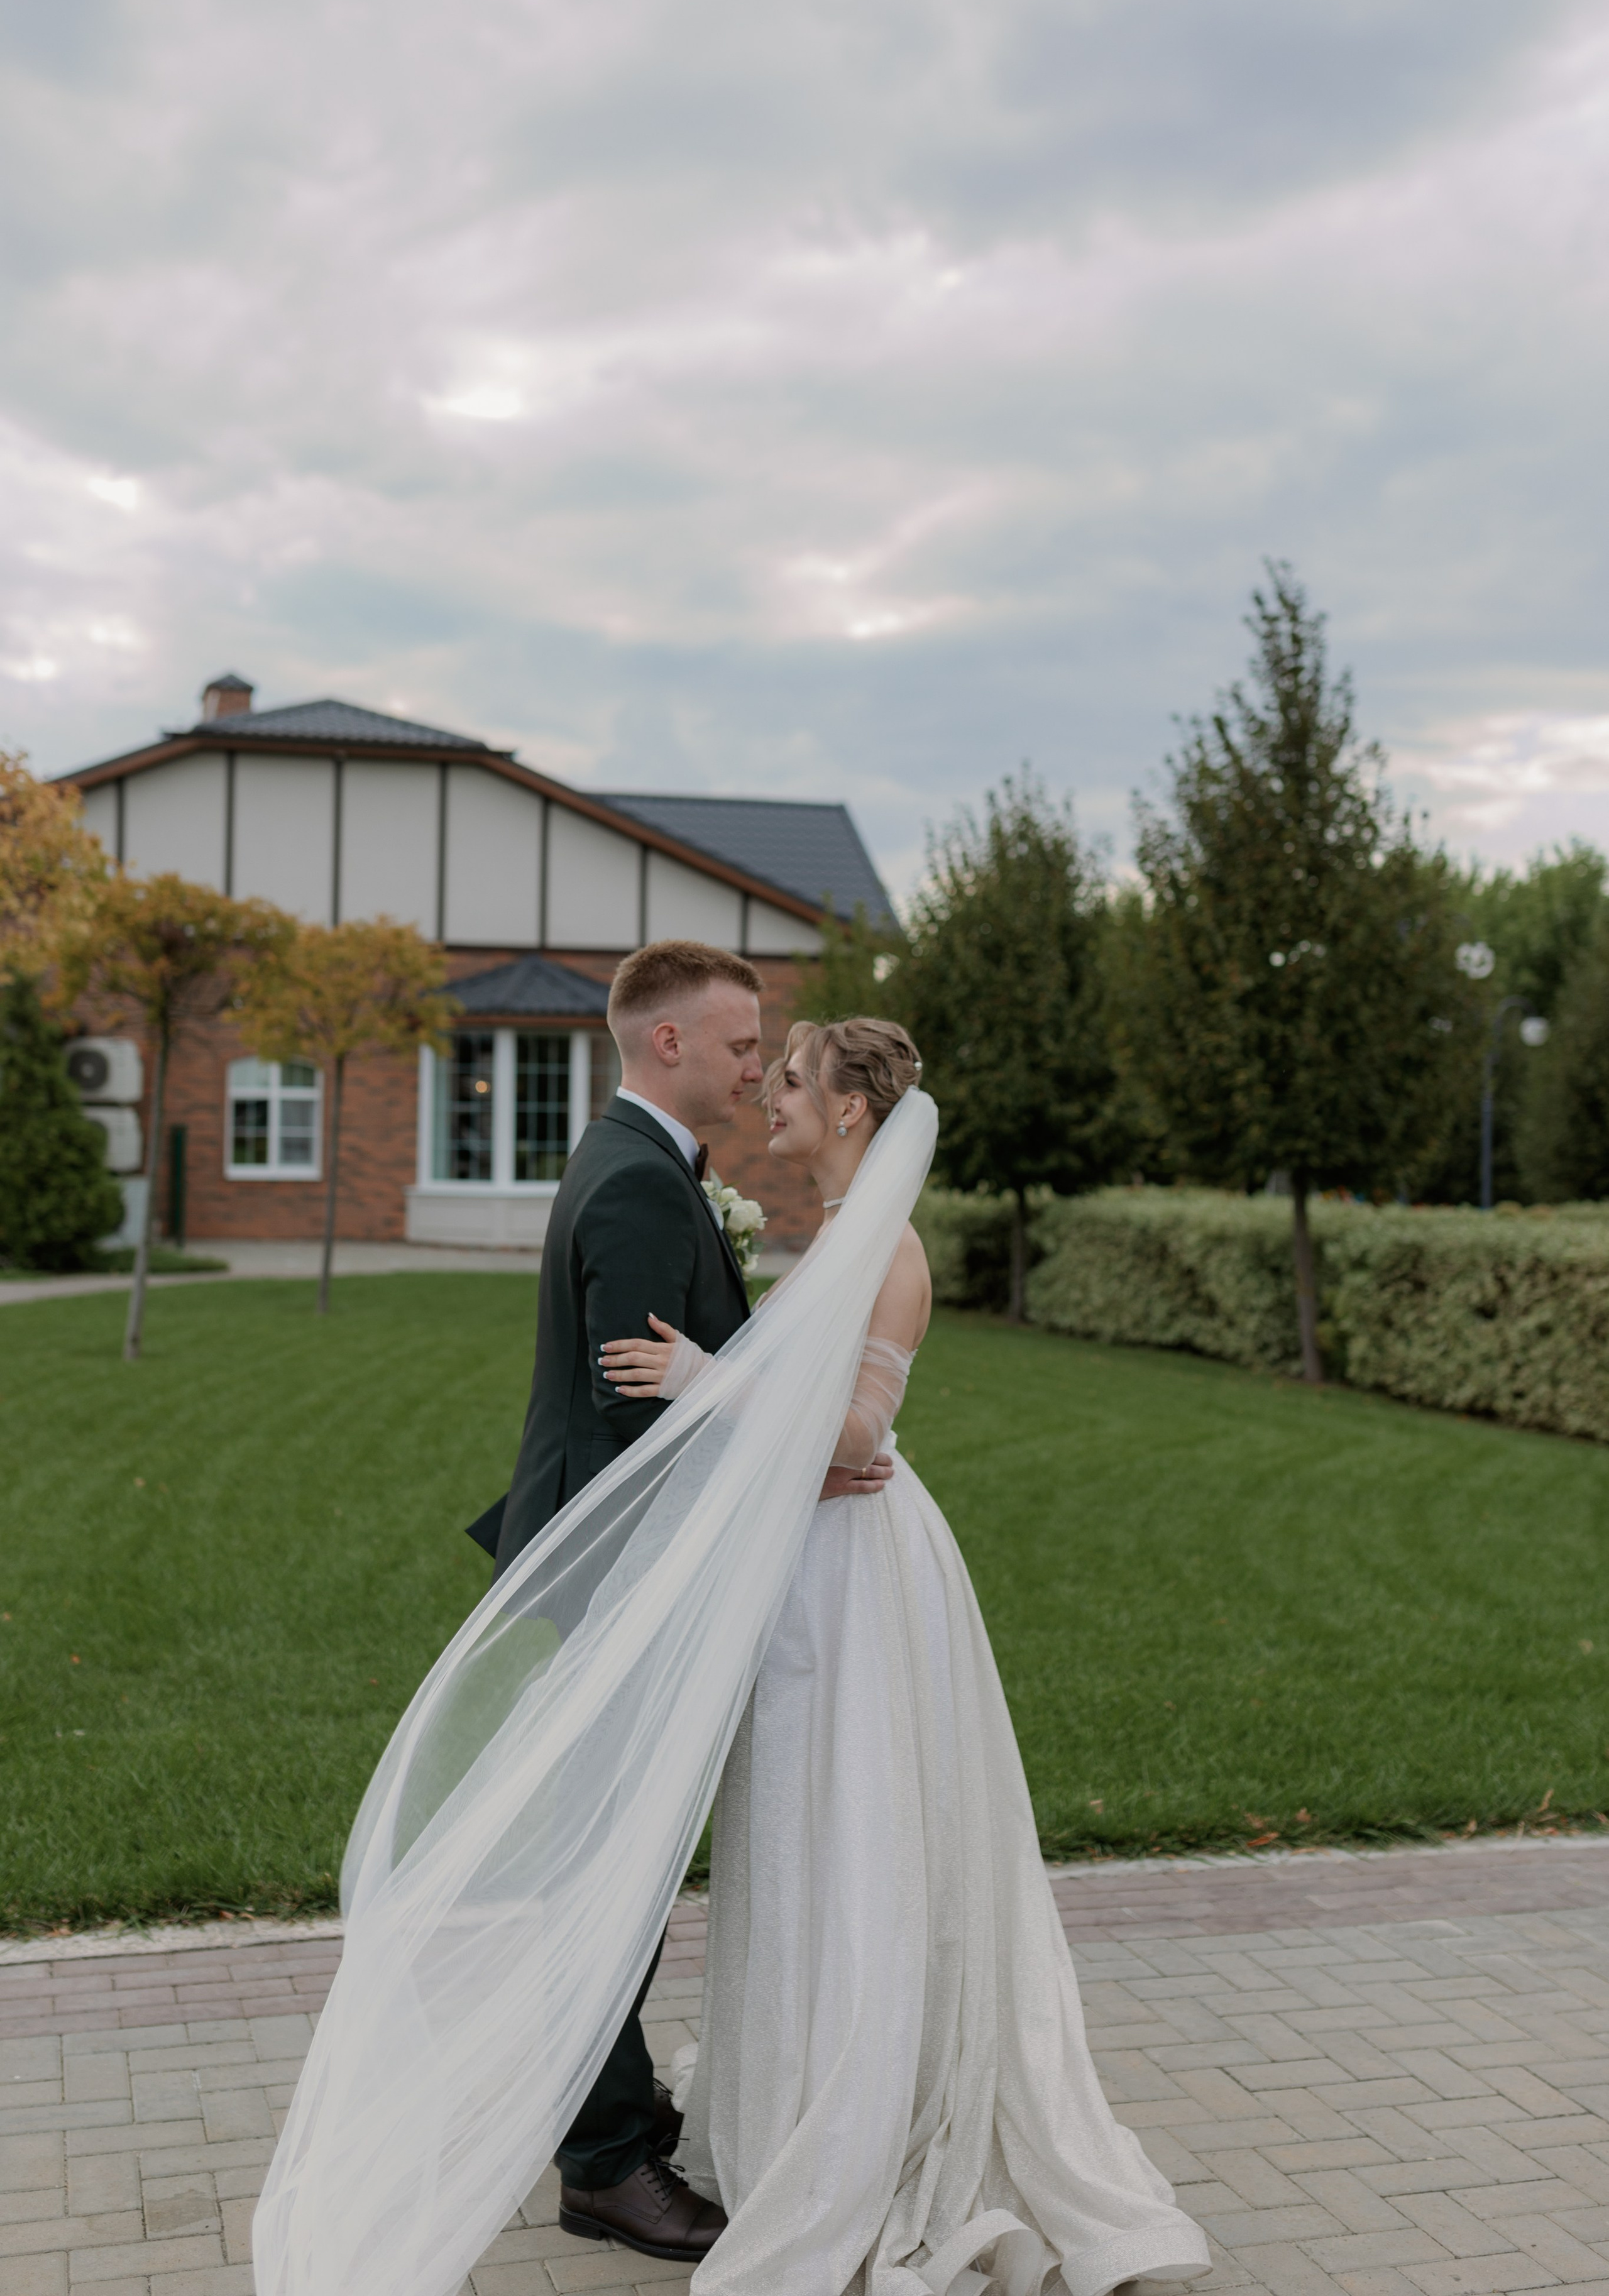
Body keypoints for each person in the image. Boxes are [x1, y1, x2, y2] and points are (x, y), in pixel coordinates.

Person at [598, 1018, 1212, 2296]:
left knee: (856, 1829)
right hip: (806, 1563)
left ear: (850, 1111)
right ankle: (803, 2097)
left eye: (791, 1080)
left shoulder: (889, 1251)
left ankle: (871, 2120)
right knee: (803, 1832)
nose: (770, 1094)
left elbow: (860, 1433)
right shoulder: (834, 1233)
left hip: (856, 1577)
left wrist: (705, 1377)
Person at [466, 941, 893, 2268]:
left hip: (625, 1572)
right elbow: (634, 1421)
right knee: (614, 1871)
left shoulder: (641, 1164)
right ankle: (603, 2166)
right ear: (668, 1043)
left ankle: (613, 2108)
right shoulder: (642, 1186)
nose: (757, 1066)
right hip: (626, 1581)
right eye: (741, 1044)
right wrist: (794, 1463)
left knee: (624, 1863)